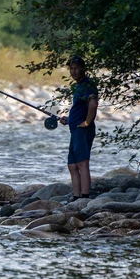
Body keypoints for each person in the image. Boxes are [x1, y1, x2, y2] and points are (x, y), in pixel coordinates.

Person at [59, 56, 98, 199]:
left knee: (82, 163)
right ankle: (76, 197)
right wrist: (69, 120)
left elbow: (93, 104)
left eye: (76, 68)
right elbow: (81, 109)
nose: (73, 71)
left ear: (83, 68)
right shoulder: (78, 86)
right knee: (72, 165)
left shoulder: (88, 85)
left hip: (83, 130)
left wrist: (87, 122)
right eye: (71, 68)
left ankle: (85, 197)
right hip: (75, 129)